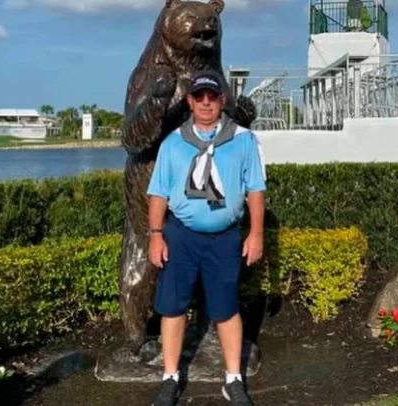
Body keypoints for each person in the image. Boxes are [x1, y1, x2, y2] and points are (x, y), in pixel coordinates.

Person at [147, 71, 266, 406]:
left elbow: (256, 190)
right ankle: (170, 378)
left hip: (224, 238)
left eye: (212, 97)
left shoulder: (243, 140)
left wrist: (256, 233)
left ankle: (233, 380)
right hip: (181, 236)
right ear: (190, 101)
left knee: (226, 308)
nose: (205, 103)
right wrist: (155, 235)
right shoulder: (173, 143)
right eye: (199, 96)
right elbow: (158, 193)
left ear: (221, 101)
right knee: (174, 308)